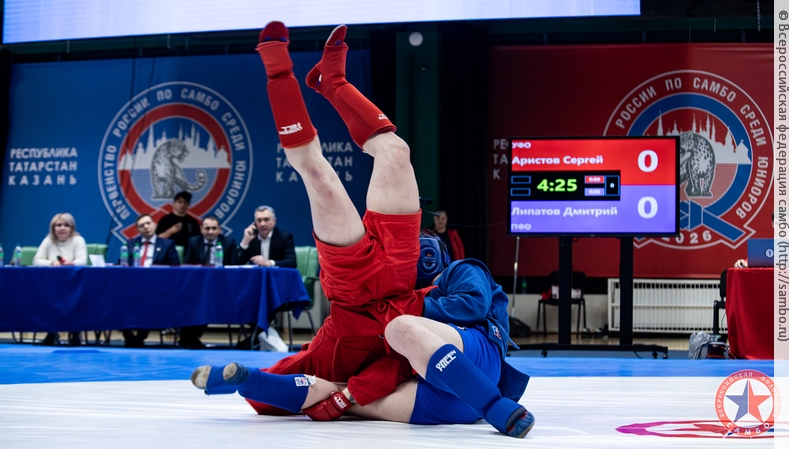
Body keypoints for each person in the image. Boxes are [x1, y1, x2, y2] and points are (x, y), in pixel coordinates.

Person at [190, 22, 534, 438]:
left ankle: (304, 77)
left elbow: (336, 384)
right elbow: (461, 309)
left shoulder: (423, 307)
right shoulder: (443, 284)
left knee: (325, 175)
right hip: (395, 280)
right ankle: (313, 78)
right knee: (392, 152)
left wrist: (337, 394)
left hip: (367, 294)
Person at [193, 236, 534, 438]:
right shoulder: (391, 296)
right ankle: (248, 381)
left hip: (475, 359)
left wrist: (400, 307)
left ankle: (495, 406)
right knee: (336, 394)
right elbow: (390, 367)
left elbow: (472, 306)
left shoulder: (459, 270)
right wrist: (349, 394)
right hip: (450, 402)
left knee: (400, 327)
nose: (421, 258)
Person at [121, 213, 181, 347]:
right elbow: (122, 264)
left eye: (148, 223)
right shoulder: (131, 244)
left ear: (154, 225)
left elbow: (175, 267)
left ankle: (140, 337)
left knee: (149, 298)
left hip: (158, 287)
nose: (146, 227)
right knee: (115, 296)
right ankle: (128, 335)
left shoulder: (167, 244)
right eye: (142, 225)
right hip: (133, 287)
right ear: (138, 229)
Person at [179, 215, 238, 349]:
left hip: (222, 287)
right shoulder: (194, 241)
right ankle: (189, 338)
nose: (210, 232)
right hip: (198, 286)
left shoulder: (228, 242)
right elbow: (187, 265)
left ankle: (189, 338)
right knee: (187, 299)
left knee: (208, 301)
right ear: (201, 229)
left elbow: (234, 266)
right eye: (207, 228)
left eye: (213, 228)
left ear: (219, 230)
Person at [34, 212, 88, 346]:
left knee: (75, 297)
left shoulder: (78, 240)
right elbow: (36, 261)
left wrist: (71, 263)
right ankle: (52, 331)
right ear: (53, 228)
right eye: (58, 225)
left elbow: (82, 261)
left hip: (73, 284)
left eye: (66, 225)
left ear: (72, 228)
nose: (62, 228)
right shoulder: (48, 240)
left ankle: (75, 331)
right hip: (51, 285)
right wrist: (53, 263)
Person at [156, 191, 201, 256]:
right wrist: (171, 230)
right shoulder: (165, 220)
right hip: (168, 253)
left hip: (188, 254)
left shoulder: (193, 222)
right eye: (180, 202)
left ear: (188, 204)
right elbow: (159, 238)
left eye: (185, 202)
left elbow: (198, 240)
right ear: (174, 203)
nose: (182, 205)